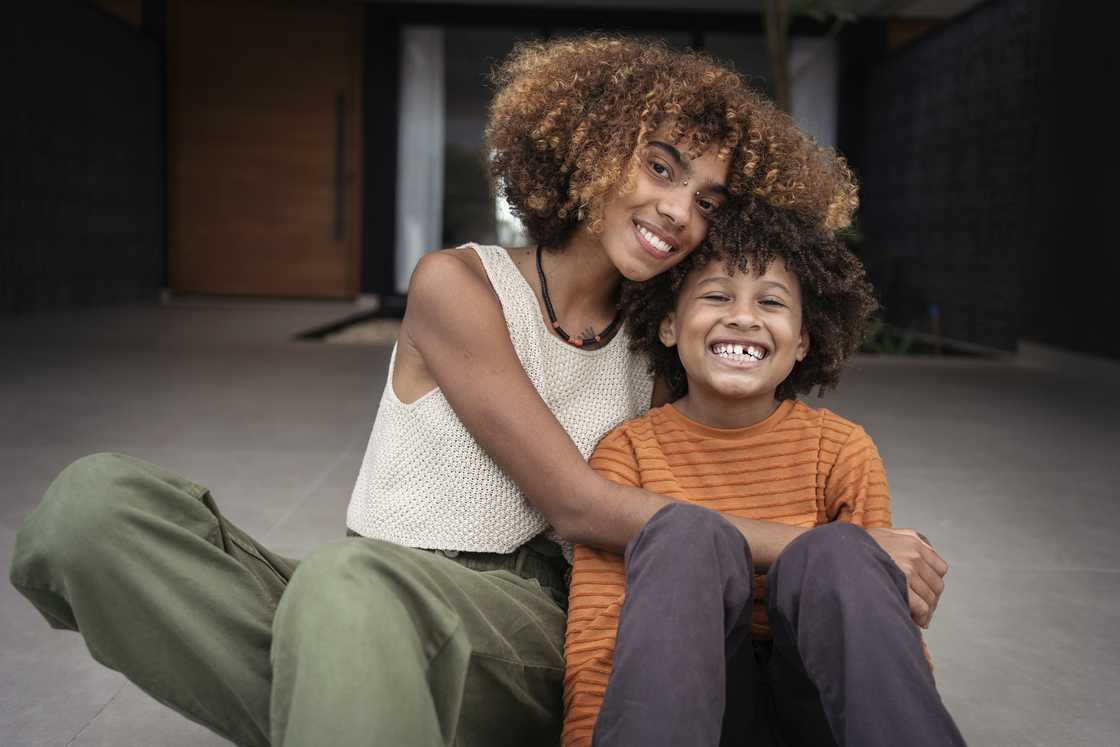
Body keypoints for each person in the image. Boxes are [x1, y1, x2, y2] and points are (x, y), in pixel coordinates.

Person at [11, 35, 872, 747]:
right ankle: (364, 698)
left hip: (524, 625)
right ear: (593, 148)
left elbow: (614, 511)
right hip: (371, 587)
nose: (679, 211)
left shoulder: (657, 352)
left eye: (709, 201)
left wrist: (833, 562)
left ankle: (364, 694)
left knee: (347, 590)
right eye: (660, 167)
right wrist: (808, 543)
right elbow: (575, 497)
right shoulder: (457, 285)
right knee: (95, 507)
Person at [561, 199, 965, 747]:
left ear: (802, 341)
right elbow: (601, 632)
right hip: (690, 714)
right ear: (669, 325)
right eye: (716, 295)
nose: (744, 317)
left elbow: (879, 629)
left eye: (771, 301)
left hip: (816, 712)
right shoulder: (627, 452)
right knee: (684, 533)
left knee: (842, 552)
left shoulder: (841, 450)